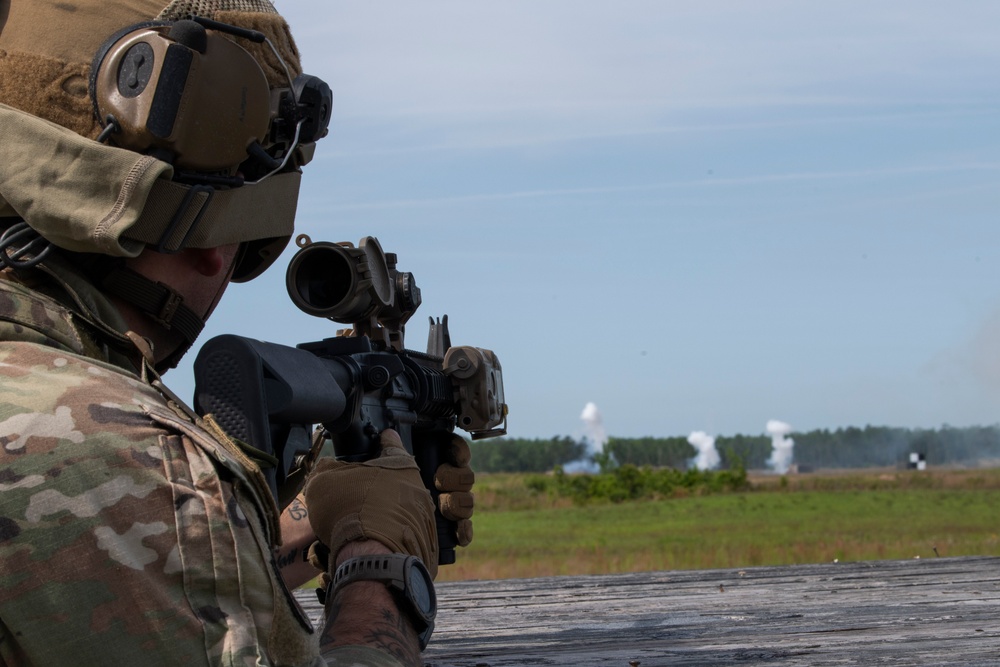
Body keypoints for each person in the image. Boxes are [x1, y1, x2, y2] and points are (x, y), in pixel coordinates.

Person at [0, 1, 475, 666]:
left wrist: (308, 514)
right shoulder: (122, 461)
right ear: (215, 242)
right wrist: (379, 567)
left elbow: (129, 592)